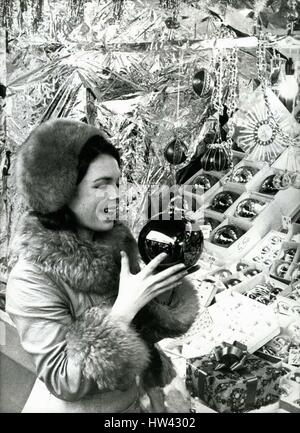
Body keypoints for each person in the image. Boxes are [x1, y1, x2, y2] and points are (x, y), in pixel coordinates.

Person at [5, 119, 199, 413]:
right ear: (61, 192)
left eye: (117, 182)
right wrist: (123, 311)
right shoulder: (31, 278)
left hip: (136, 401)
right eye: (101, 184)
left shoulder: (117, 245)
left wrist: (165, 287)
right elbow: (63, 381)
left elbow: (146, 333)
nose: (117, 194)